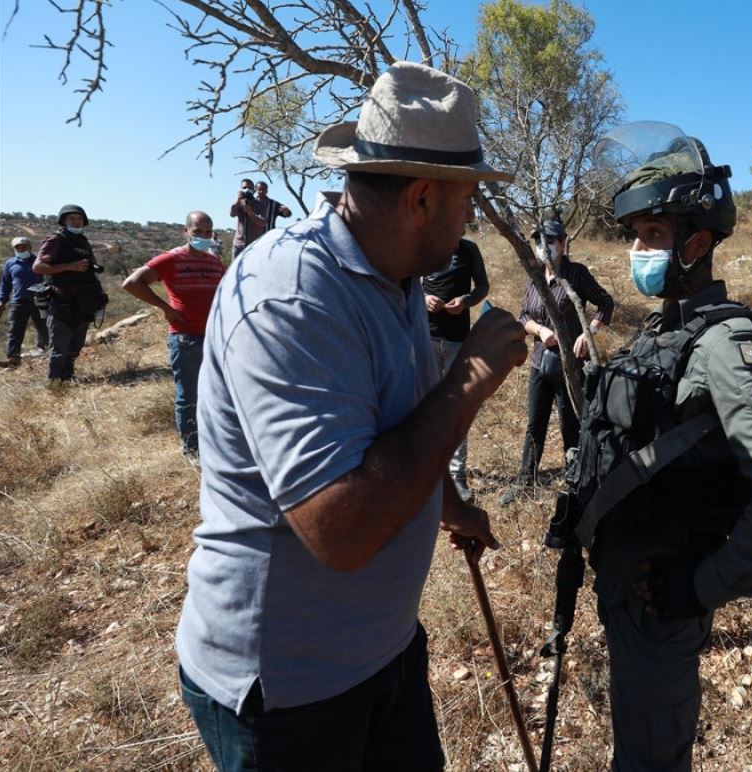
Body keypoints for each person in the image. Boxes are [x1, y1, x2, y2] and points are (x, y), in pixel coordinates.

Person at [176, 61, 527, 772]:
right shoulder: (292, 296)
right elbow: (341, 530)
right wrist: (472, 377)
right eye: (467, 202)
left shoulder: (396, 280)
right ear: (423, 199)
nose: (470, 221)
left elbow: (393, 427)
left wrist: (452, 506)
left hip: (382, 649)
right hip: (290, 691)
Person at [576, 123, 752, 771]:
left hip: (662, 601)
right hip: (632, 587)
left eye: (653, 235)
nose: (638, 250)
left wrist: (702, 585)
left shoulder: (724, 347)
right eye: (635, 236)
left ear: (699, 241)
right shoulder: (672, 331)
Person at [503, 218, 613, 506]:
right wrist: (540, 331)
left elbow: (605, 302)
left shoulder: (576, 274)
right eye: (540, 241)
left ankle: (576, 484)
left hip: (570, 367)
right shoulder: (536, 276)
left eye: (550, 240)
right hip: (541, 362)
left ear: (563, 243)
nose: (545, 247)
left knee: (571, 426)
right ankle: (524, 483)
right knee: (534, 424)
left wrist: (590, 334)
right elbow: (523, 316)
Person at [121, 211, 226, 457]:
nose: (202, 236)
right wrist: (166, 309)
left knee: (215, 392)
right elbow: (132, 283)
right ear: (186, 231)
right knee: (188, 393)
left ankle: (214, 441)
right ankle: (192, 449)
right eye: (197, 232)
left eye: (207, 232)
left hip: (214, 337)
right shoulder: (171, 259)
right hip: (186, 337)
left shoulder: (214, 262)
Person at [421, 236, 490, 502]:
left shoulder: (468, 249)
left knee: (456, 407)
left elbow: (482, 287)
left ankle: (457, 474)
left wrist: (465, 300)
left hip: (457, 340)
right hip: (425, 338)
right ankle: (430, 472)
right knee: (426, 405)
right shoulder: (425, 243)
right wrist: (425, 297)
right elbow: (409, 283)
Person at [33, 205, 107, 382]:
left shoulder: (82, 240)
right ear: (63, 221)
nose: (76, 221)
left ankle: (68, 377)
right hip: (61, 300)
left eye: (79, 218)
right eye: (72, 218)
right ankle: (56, 385)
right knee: (60, 346)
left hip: (84, 301)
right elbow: (38, 267)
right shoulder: (56, 240)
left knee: (76, 345)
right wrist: (69, 266)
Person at [0, 235, 50, 367]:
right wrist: (1, 301)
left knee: (43, 326)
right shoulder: (10, 263)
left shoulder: (38, 261)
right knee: (15, 329)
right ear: (14, 248)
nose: (21, 249)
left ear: (30, 247)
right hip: (18, 301)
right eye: (18, 247)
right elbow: (5, 284)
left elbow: (48, 280)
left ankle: (45, 351)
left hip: (39, 300)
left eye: (24, 246)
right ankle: (13, 358)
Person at [229, 178, 266, 257]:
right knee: (236, 268)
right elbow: (232, 214)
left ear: (254, 190)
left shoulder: (260, 205)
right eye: (244, 188)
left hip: (254, 245)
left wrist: (250, 213)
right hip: (239, 244)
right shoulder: (239, 203)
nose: (247, 190)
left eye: (249, 188)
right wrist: (237, 200)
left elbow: (263, 222)